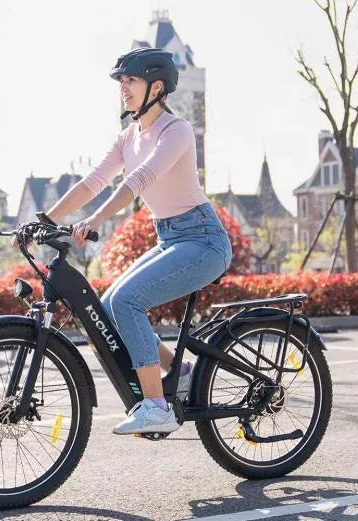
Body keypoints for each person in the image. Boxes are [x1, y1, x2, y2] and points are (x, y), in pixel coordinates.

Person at [28, 47, 232, 434]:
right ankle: (181, 371)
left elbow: (138, 181)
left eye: (131, 81)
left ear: (156, 86)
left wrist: (94, 220)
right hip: (171, 236)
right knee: (108, 306)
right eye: (121, 82)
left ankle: (157, 407)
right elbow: (93, 181)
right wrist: (45, 220)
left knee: (127, 300)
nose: (124, 89)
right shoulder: (129, 137)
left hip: (204, 241)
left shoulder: (177, 131)